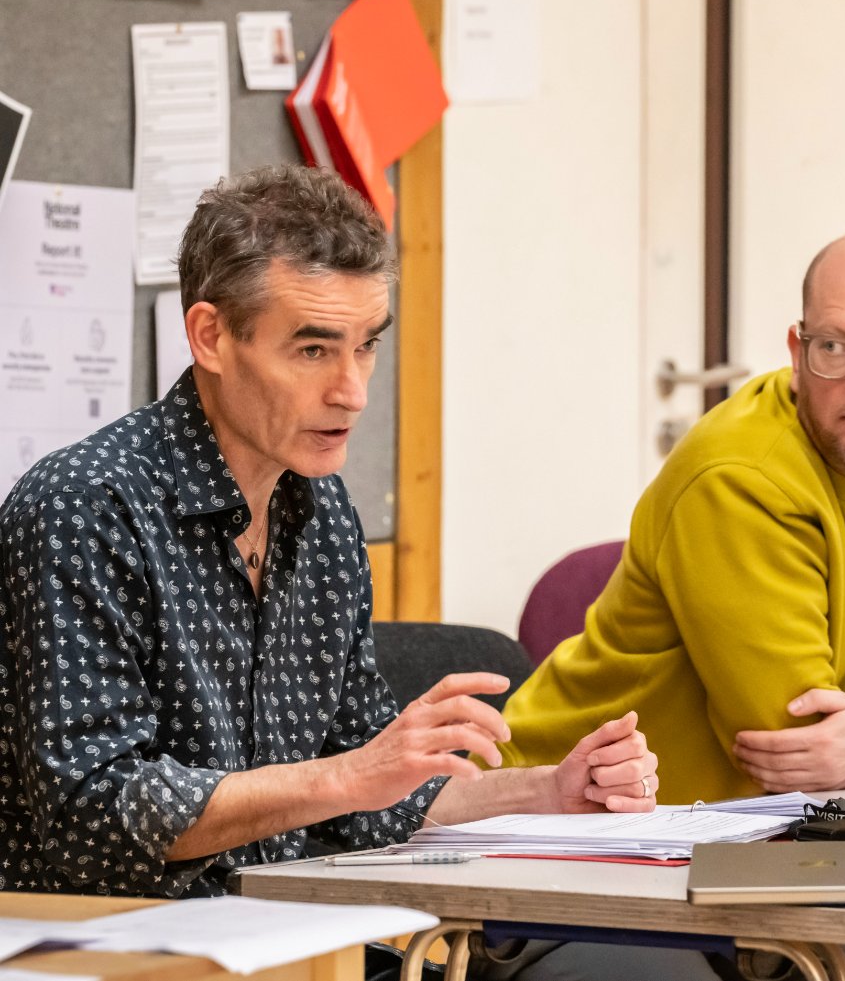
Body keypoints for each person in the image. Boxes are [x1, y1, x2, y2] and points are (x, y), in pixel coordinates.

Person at [0, 165, 659, 914]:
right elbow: (95, 811)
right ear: (211, 336)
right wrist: (348, 774)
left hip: (299, 927)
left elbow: (371, 795)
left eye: (366, 346)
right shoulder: (87, 506)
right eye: (313, 350)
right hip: (117, 939)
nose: (352, 390)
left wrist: (545, 790)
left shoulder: (320, 509)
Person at [496, 226, 845, 808]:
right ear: (796, 353)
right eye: (835, 348)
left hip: (760, 833)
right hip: (566, 826)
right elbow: (801, 750)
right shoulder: (736, 477)